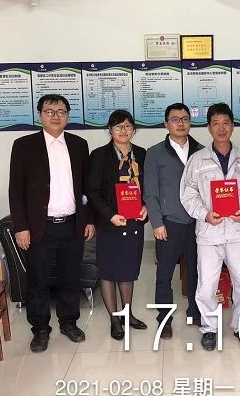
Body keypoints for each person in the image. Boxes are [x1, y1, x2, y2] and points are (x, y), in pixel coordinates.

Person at [8, 94, 94, 353]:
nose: (56, 116)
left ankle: (69, 323)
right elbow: (15, 190)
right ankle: (40, 329)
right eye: (49, 111)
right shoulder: (24, 145)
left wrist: (88, 219)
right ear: (40, 115)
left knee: (70, 278)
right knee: (38, 280)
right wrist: (21, 227)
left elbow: (86, 187)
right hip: (39, 227)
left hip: (72, 224)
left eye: (61, 111)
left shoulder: (79, 144)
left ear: (67, 115)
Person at [180, 103, 240, 351]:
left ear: (233, 126)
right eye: (216, 123)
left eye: (226, 123)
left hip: (238, 231)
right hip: (209, 232)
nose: (221, 128)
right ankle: (209, 328)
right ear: (209, 127)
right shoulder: (197, 159)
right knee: (207, 284)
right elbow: (188, 194)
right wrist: (204, 214)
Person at [87, 110, 148, 341]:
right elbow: (92, 192)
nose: (123, 130)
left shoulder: (142, 154)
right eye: (118, 126)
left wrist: (146, 207)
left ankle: (127, 314)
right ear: (110, 130)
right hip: (109, 223)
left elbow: (148, 187)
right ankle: (114, 320)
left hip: (134, 222)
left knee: (128, 269)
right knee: (109, 271)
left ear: (134, 130)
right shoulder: (99, 156)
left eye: (127, 126)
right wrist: (110, 215)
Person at [144, 103, 203, 339]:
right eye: (175, 119)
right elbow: (150, 192)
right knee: (164, 274)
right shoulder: (154, 153)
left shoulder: (201, 151)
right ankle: (164, 318)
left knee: (196, 271)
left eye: (185, 119)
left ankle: (195, 312)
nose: (180, 123)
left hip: (197, 222)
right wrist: (156, 222)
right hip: (169, 223)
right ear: (166, 123)